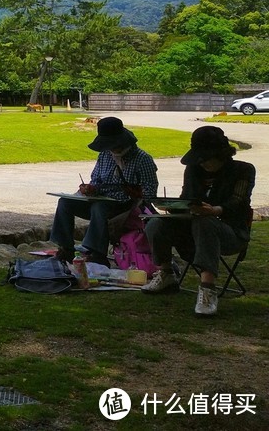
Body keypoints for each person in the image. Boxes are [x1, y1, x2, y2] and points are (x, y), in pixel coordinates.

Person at [141, 125, 255, 316]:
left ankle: (208, 288)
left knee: (206, 222)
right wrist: (175, 206)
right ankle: (166, 273)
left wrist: (215, 210)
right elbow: (187, 196)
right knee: (156, 222)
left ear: (222, 153)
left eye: (207, 158)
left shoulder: (243, 170)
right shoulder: (193, 170)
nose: (203, 163)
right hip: (191, 229)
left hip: (231, 231)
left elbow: (238, 201)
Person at [50, 116, 158, 265]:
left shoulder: (143, 159)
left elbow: (151, 192)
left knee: (99, 207)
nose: (113, 149)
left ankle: (97, 253)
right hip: (101, 200)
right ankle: (66, 248)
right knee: (65, 202)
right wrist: (89, 188)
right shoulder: (105, 155)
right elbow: (97, 180)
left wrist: (135, 192)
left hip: (126, 207)